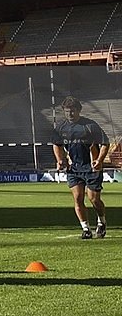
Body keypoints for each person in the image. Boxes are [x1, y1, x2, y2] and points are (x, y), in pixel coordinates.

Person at [52, 96, 109, 239]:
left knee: (94, 199)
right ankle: (86, 229)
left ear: (79, 110)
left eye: (72, 111)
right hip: (74, 169)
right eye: (67, 111)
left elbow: (105, 143)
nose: (70, 114)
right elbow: (57, 145)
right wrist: (60, 160)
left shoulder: (90, 126)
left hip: (91, 168)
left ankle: (101, 221)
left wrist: (100, 160)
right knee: (78, 198)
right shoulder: (60, 127)